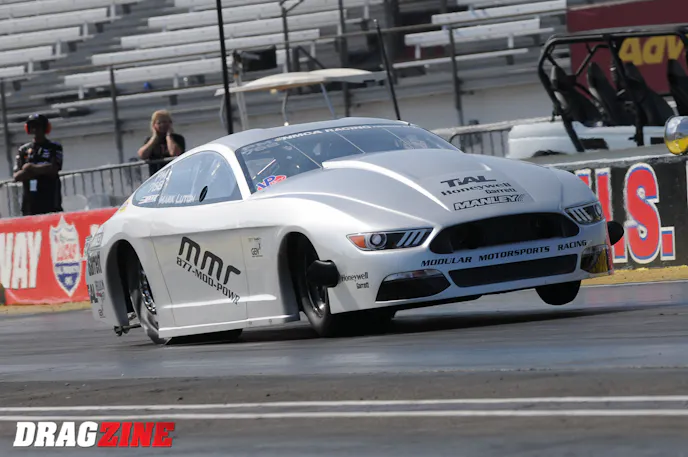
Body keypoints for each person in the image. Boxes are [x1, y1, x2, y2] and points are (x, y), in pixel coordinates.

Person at [13, 114, 63, 216]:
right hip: (30, 199)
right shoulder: (23, 149)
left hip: (50, 195)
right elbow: (17, 176)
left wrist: (31, 168)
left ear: (45, 128)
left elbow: (54, 168)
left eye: (38, 126)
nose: (35, 130)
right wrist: (39, 170)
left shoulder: (54, 147)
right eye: (32, 127)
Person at [137, 110, 186, 176]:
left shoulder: (178, 138)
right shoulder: (149, 140)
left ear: (170, 123)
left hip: (175, 175)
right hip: (156, 176)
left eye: (165, 122)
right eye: (159, 123)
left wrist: (168, 136)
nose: (163, 125)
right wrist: (155, 137)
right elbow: (142, 155)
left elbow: (174, 153)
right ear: (154, 125)